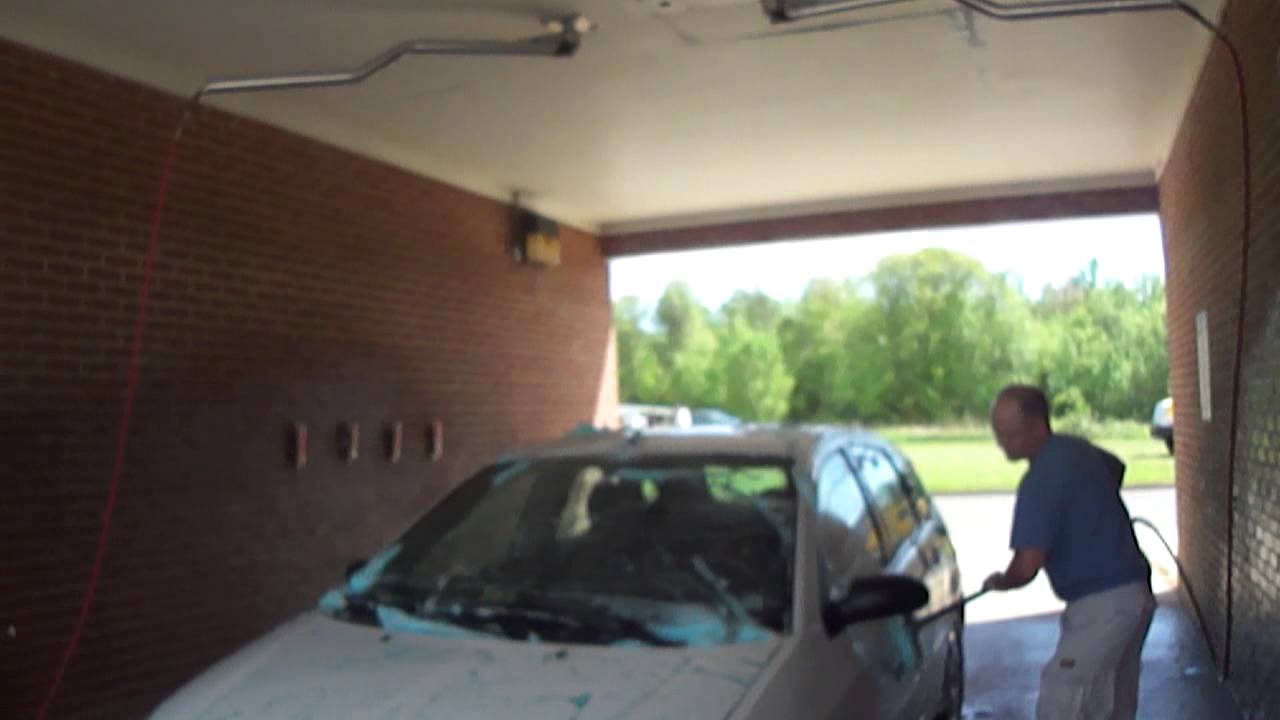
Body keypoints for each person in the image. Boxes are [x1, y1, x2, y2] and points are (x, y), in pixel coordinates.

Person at [983, 384, 1155, 720]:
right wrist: (1085, 507)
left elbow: (1028, 564)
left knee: (1061, 697)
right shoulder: (1076, 450)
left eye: (1010, 434)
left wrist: (1001, 582)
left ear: (1038, 425)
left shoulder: (1039, 480)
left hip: (1102, 607)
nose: (1002, 442)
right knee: (1113, 703)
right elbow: (1116, 469)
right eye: (998, 433)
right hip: (1135, 598)